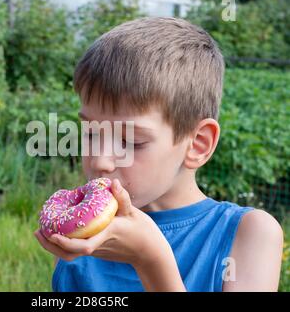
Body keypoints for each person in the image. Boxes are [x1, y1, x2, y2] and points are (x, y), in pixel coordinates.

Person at [34, 17, 283, 292]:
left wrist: (150, 260)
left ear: (197, 144)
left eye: (130, 142)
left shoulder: (249, 235)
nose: (99, 161)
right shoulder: (85, 232)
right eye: (91, 134)